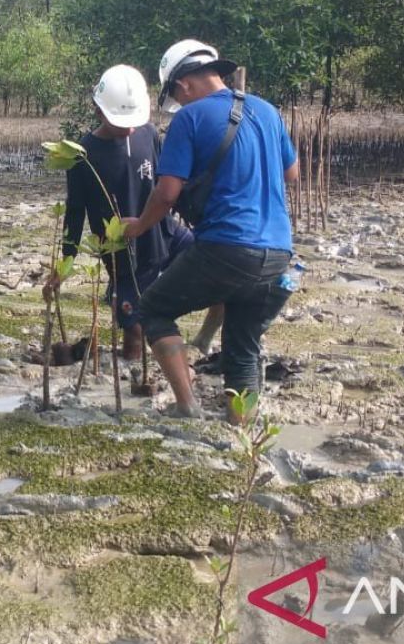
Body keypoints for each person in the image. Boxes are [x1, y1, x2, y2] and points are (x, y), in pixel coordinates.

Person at [124, 39, 299, 420]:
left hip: (226, 247)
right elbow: (292, 172)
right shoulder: (267, 111)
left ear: (183, 84)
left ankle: (187, 407)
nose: (179, 103)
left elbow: (167, 193)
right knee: (243, 346)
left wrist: (138, 226)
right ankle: (242, 430)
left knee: (152, 310)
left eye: (175, 94)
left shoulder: (189, 118)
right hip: (278, 253)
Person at [46, 64, 219, 361]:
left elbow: (169, 184)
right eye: (119, 121)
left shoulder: (148, 133)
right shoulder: (82, 156)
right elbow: (74, 214)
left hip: (165, 233)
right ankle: (131, 372)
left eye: (132, 120)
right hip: (122, 252)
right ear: (99, 112)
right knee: (134, 331)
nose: (128, 128)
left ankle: (203, 340)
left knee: (220, 272)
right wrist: (65, 265)